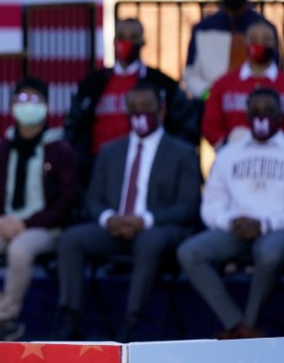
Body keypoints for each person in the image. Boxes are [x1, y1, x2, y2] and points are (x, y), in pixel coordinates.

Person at [55, 80, 202, 343]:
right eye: (133, 107)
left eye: (146, 106)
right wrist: (108, 218)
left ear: (162, 110)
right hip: (115, 228)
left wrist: (144, 220)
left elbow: (189, 206)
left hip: (158, 230)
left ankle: (132, 324)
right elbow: (94, 198)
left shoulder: (183, 152)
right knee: (70, 240)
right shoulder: (110, 151)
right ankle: (70, 320)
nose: (139, 113)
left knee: (150, 240)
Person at [0, 77, 78, 341]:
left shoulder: (60, 150)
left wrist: (28, 224)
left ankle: (8, 315)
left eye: (34, 100)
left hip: (44, 227)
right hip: (5, 223)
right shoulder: (0, 150)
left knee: (20, 250)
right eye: (22, 100)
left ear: (47, 106)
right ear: (12, 106)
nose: (27, 106)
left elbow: (67, 199)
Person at [177, 87, 284, 339]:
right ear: (245, 114)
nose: (261, 116)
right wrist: (232, 221)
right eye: (255, 111)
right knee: (190, 252)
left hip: (276, 229)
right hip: (235, 229)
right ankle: (236, 324)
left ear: (280, 114)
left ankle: (250, 322)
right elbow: (211, 204)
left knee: (271, 254)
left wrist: (265, 224)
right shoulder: (228, 154)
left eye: (269, 111)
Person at [65, 18, 198, 188]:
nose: (126, 42)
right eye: (122, 36)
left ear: (142, 42)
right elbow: (74, 126)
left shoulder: (162, 84)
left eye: (133, 37)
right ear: (114, 42)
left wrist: (169, 158)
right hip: (99, 167)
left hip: (150, 167)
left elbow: (186, 123)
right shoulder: (92, 85)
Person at [182, 0, 276, 100]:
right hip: (211, 103)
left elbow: (273, 69)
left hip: (253, 104)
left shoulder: (263, 28)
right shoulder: (203, 28)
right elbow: (190, 73)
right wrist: (208, 95)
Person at [202, 21, 284, 149]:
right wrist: (227, 147)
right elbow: (210, 124)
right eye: (253, 39)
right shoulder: (223, 84)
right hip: (235, 158)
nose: (260, 44)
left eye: (266, 39)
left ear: (275, 44)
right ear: (245, 43)